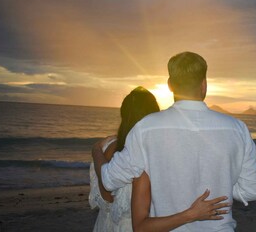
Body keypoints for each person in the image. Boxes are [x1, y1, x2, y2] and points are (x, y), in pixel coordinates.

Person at [93, 52, 256, 231]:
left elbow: (109, 180)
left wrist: (96, 152)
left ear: (169, 85)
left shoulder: (146, 129)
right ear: (204, 84)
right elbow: (255, 191)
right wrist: (222, 183)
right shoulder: (237, 129)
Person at [90, 86, 229, 231]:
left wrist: (96, 151)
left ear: (124, 115)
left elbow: (107, 198)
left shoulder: (110, 148)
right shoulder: (153, 154)